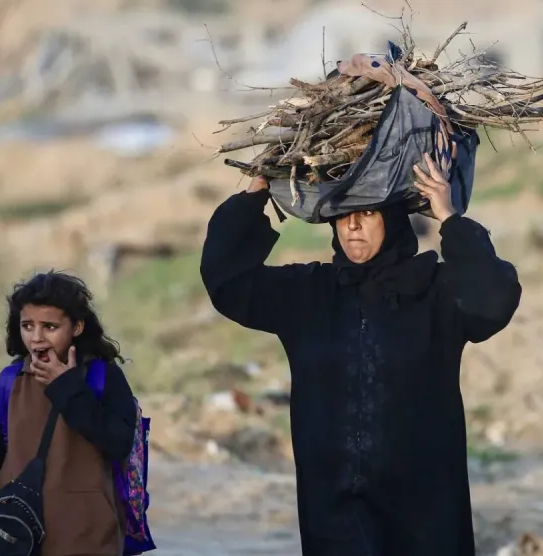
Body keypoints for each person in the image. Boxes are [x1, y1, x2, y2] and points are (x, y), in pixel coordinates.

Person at [200, 153, 522, 556]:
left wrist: (450, 218)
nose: (352, 226)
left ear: (393, 219)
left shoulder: (434, 293)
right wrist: (255, 194)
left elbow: (495, 299)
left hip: (422, 512)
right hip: (334, 508)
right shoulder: (309, 294)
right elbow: (227, 281)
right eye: (343, 213)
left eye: (367, 212)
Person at [0, 271, 139, 556]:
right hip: (18, 544)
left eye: (49, 326)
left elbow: (118, 442)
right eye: (27, 325)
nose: (36, 338)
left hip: (89, 543)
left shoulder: (103, 378)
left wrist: (68, 388)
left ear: (76, 327)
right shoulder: (9, 384)